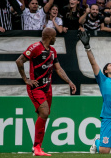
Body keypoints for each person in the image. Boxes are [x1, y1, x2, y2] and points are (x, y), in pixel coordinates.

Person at [15, 27, 76, 156]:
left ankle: (37, 148)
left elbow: (58, 69)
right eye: (54, 37)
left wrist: (69, 81)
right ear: (49, 37)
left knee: (43, 115)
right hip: (35, 87)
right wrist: (26, 79)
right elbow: (19, 61)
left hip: (47, 88)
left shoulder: (52, 51)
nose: (55, 39)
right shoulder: (35, 48)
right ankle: (36, 147)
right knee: (44, 112)